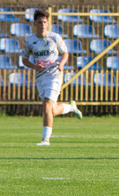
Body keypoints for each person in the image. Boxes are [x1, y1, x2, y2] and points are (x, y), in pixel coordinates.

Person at [20, 9, 82, 146]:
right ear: (34, 24)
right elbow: (24, 59)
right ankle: (70, 108)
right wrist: (34, 66)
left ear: (48, 23)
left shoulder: (55, 38)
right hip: (41, 76)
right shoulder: (30, 41)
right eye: (40, 22)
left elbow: (65, 53)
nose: (43, 24)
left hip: (55, 74)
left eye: (45, 22)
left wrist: (62, 64)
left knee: (47, 105)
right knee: (51, 110)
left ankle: (45, 139)